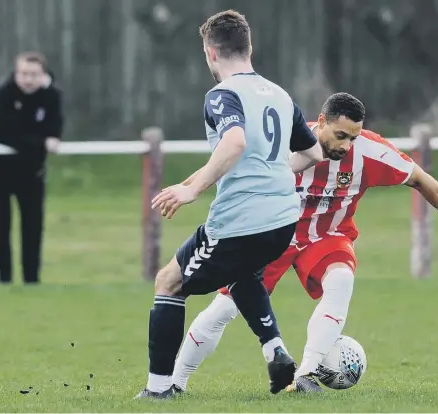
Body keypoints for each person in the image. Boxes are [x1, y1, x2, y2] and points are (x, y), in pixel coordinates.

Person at [171, 92, 438, 393]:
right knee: (223, 309)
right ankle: (176, 382)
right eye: (341, 136)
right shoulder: (283, 144)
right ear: (321, 122)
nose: (348, 145)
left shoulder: (370, 152)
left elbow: (421, 179)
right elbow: (226, 165)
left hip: (327, 237)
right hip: (272, 237)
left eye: (353, 137)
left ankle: (306, 375)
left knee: (341, 278)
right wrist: (187, 188)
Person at [135, 10, 323, 399]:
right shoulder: (279, 94)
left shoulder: (222, 95)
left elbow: (234, 142)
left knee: (168, 282)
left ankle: (158, 392)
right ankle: (276, 353)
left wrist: (193, 190)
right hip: (283, 219)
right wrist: (273, 172)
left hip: (242, 220)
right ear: (249, 47)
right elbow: (313, 152)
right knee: (243, 273)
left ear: (210, 53)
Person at [0, 51, 63, 285]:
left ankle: (31, 281)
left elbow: (55, 126)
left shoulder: (51, 96)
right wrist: (40, 143)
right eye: (23, 74)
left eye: (34, 74)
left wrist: (48, 140)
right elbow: (0, 131)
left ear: (43, 75)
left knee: (33, 228)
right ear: (16, 73)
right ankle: (5, 280)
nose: (28, 79)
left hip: (30, 173)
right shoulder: (3, 94)